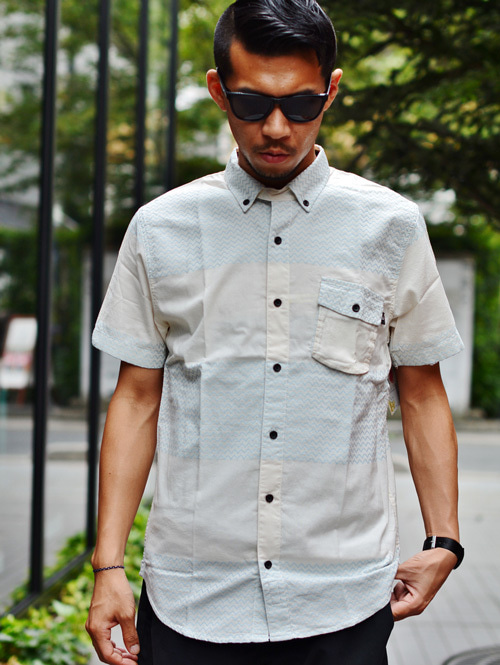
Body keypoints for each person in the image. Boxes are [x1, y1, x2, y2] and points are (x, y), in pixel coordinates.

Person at [86, 1, 465, 663]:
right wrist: (107, 565)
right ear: (218, 90)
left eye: (302, 103)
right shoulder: (160, 228)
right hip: (193, 597)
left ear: (332, 91)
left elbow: (422, 391)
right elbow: (137, 397)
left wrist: (444, 540)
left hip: (344, 596)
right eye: (252, 103)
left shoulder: (391, 226)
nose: (277, 127)